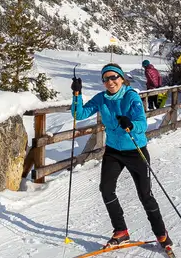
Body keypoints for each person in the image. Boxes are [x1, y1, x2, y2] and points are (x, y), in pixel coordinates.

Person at [70, 63, 169, 248]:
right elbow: (79, 114)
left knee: (145, 195)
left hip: (135, 150)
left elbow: (142, 123)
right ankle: (121, 231)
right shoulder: (101, 98)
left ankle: (161, 234)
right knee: (106, 190)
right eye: (106, 78)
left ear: (122, 78)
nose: (110, 81)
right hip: (114, 151)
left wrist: (130, 124)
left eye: (114, 77)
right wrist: (77, 94)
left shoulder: (131, 96)